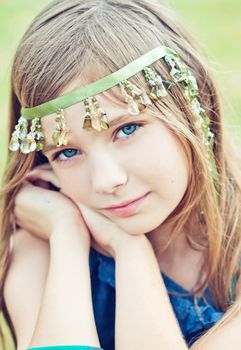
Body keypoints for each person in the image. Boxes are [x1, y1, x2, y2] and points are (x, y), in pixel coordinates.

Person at [0, 0, 241, 349]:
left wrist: (128, 249)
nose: (105, 180)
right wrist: (67, 234)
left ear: (192, 107)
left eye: (126, 130)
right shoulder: (42, 247)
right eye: (67, 152)